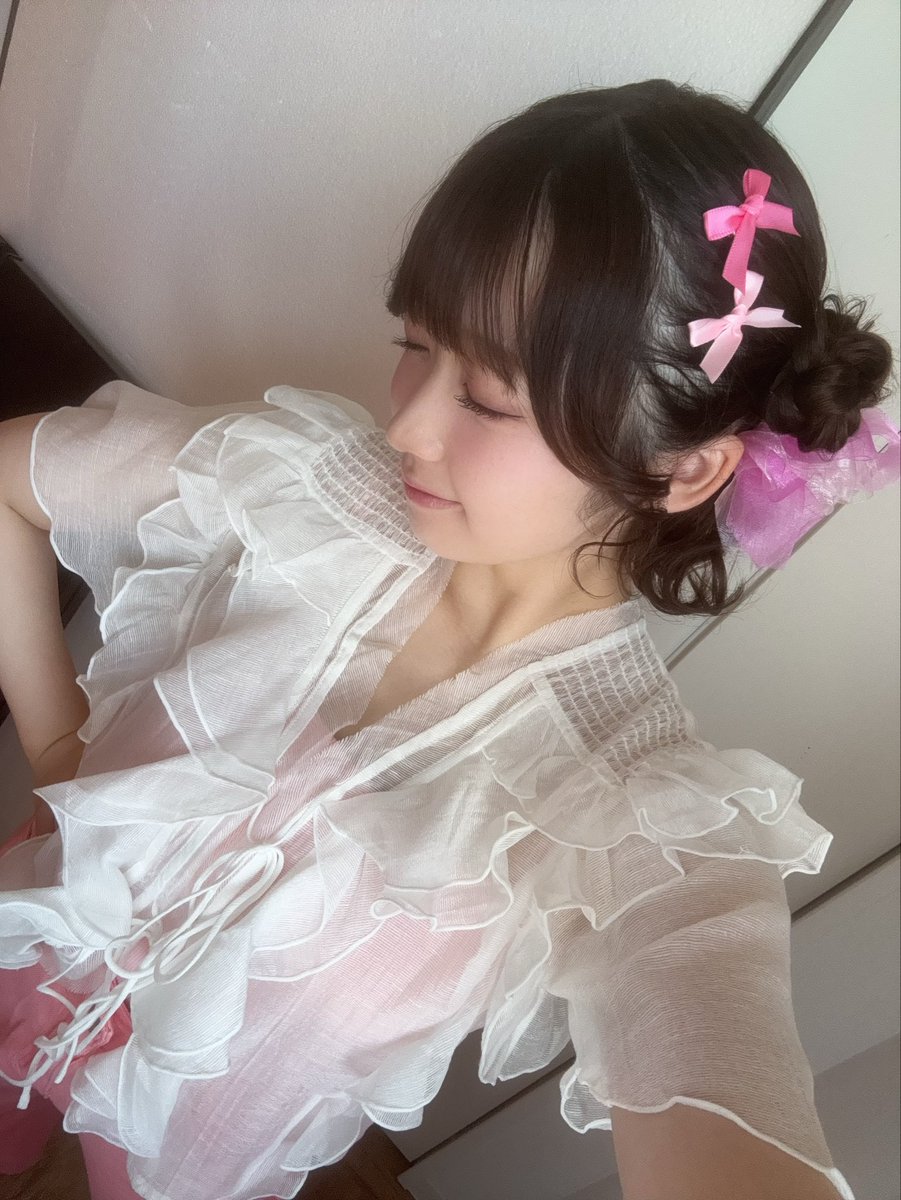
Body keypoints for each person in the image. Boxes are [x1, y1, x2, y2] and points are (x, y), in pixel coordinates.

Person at [0, 79, 897, 1200]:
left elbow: (715, 1044)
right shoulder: (300, 492)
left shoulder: (628, 806)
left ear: (682, 468)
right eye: (414, 344)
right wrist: (55, 742)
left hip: (178, 1160)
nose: (406, 424)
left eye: (488, 398)